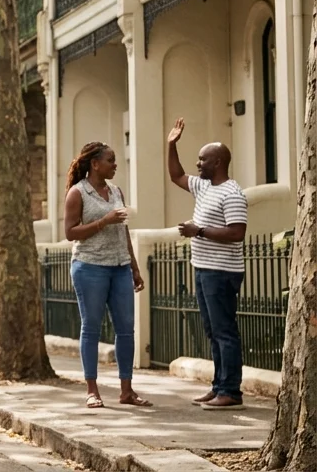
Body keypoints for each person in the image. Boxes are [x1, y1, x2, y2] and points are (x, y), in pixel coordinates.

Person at [167, 117, 247, 410]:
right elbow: (176, 176)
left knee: (225, 331)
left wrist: (197, 231)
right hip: (203, 269)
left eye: (202, 159)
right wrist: (171, 144)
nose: (197, 164)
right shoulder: (203, 187)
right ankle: (218, 387)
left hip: (222, 272)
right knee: (213, 331)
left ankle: (231, 392)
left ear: (217, 162)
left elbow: (237, 233)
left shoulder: (232, 193)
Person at [62, 142, 150, 409]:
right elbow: (70, 233)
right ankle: (92, 390)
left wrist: (134, 267)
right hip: (90, 267)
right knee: (91, 327)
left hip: (120, 267)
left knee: (126, 329)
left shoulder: (116, 191)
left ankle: (127, 390)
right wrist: (103, 221)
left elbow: (123, 231)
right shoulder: (77, 193)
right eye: (110, 160)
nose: (115, 165)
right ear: (95, 164)